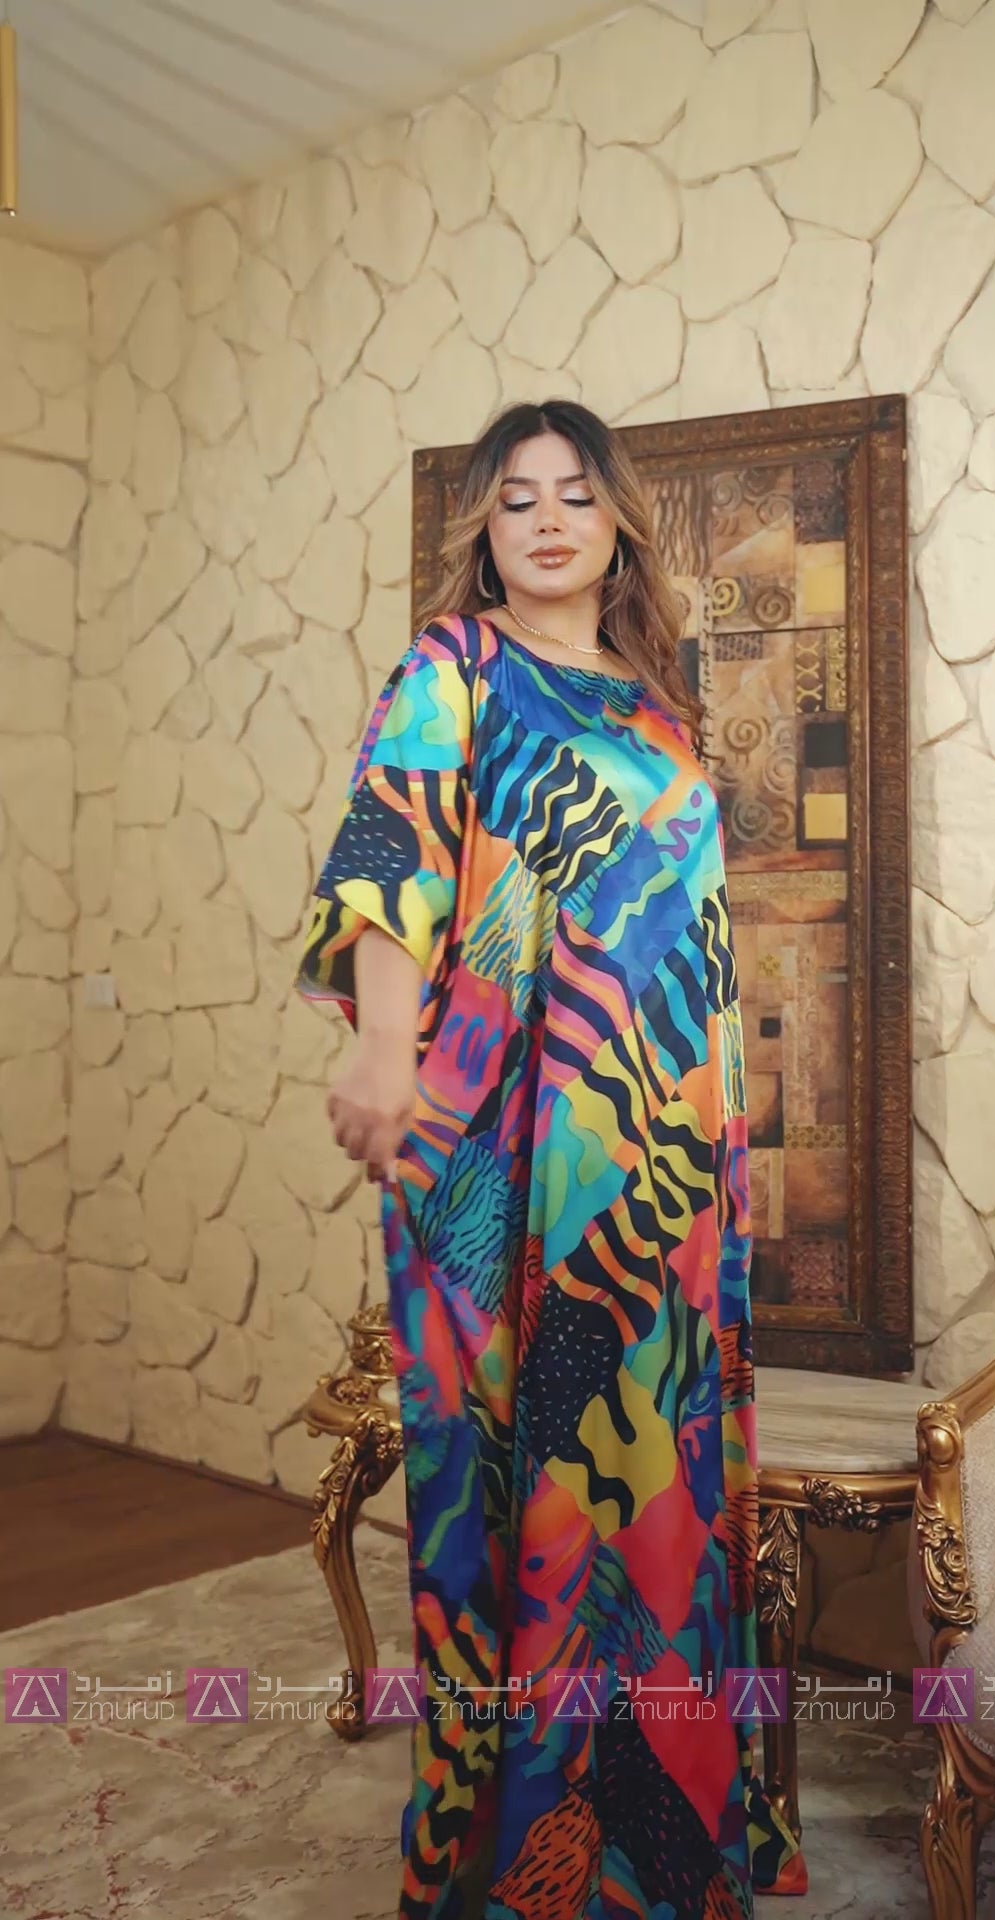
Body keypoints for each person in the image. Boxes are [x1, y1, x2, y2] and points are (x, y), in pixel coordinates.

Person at [296, 399, 804, 1918]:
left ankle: (662, 1845)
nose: (547, 521)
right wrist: (385, 1053)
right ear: (486, 532)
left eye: (575, 494)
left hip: (662, 1164)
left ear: (618, 524)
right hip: (501, 1152)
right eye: (515, 499)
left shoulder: (661, 711)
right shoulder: (452, 666)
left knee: (656, 1476)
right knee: (510, 1494)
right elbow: (393, 848)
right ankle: (512, 1853)